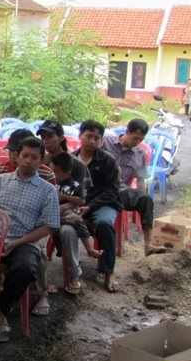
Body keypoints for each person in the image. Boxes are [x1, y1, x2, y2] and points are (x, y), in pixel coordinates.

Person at [0, 136, 60, 340]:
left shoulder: (48, 190)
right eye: (25, 155)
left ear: (41, 160)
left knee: (25, 269)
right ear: (16, 156)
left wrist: (16, 242)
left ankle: (1, 311)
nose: (28, 161)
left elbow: (49, 226)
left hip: (24, 241)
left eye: (34, 157)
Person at [102, 119, 167, 256]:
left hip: (120, 192)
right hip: (99, 189)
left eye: (141, 139)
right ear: (127, 132)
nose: (137, 142)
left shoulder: (140, 154)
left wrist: (142, 197)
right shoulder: (105, 142)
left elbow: (141, 180)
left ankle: (148, 245)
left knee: (146, 200)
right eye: (135, 138)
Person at [73, 120, 122, 293]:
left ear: (101, 141)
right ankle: (71, 271)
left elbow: (113, 190)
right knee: (64, 226)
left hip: (104, 204)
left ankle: (108, 272)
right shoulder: (71, 159)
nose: (92, 141)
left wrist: (91, 206)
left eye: (97, 138)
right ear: (80, 136)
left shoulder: (108, 161)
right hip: (77, 204)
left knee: (104, 224)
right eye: (89, 136)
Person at [51, 152, 101, 294]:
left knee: (74, 223)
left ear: (67, 172)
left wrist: (64, 198)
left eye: (57, 172)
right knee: (72, 221)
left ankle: (86, 254)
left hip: (66, 214)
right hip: (50, 214)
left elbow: (81, 200)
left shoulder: (73, 184)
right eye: (53, 170)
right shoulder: (50, 181)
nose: (54, 175)